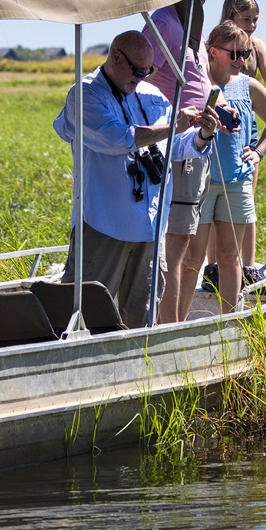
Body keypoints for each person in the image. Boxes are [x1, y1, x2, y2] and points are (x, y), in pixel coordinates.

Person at [54, 31, 219, 329]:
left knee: (143, 318)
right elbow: (116, 138)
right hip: (103, 224)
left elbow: (178, 146)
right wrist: (171, 128)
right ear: (116, 56)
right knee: (86, 317)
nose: (142, 78)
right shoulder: (85, 94)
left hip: (150, 229)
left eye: (148, 72)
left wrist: (202, 134)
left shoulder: (151, 95)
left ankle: (139, 372)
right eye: (137, 71)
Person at [144, 0, 216, 323]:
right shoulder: (164, 25)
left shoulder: (193, 26)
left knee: (184, 247)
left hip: (197, 144)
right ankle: (164, 329)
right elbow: (140, 79)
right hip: (177, 146)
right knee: (173, 248)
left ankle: (171, 322)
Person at [197, 22, 266, 314]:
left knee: (230, 255)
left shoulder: (249, 86)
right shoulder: (199, 84)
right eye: (234, 53)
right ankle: (181, 322)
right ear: (212, 51)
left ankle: (230, 318)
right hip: (201, 181)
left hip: (237, 181)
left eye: (245, 53)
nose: (241, 60)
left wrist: (258, 151)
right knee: (192, 259)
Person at [220, 0, 266, 101]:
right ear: (230, 18)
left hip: (248, 113)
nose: (252, 25)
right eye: (246, 19)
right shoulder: (216, 46)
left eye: (255, 19)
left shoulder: (257, 45)